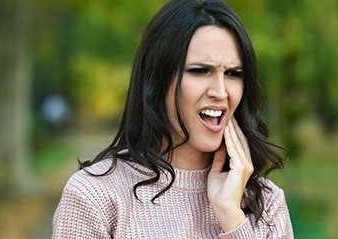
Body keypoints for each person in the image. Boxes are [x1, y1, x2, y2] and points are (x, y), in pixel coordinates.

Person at [52, 0, 294, 238]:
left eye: (233, 73)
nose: (221, 92)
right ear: (157, 80)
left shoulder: (267, 205)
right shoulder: (95, 197)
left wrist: (231, 217)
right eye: (200, 70)